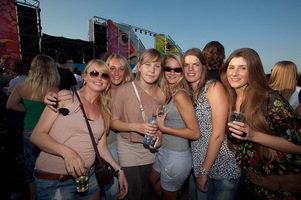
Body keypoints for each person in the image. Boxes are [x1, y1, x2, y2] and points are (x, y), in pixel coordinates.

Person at [30, 59, 128, 200]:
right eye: (94, 73)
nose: (99, 78)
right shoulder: (65, 97)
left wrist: (119, 170)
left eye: (104, 75)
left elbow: (101, 146)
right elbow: (37, 135)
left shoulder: (104, 110)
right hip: (56, 179)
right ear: (84, 76)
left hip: (89, 177)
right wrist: (67, 152)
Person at [221, 48, 301, 200]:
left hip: (278, 189)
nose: (234, 73)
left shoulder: (270, 100)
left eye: (242, 68)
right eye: (231, 67)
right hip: (249, 183)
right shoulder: (230, 99)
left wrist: (254, 135)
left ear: (254, 71)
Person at [183, 48, 241, 200]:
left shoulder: (214, 88)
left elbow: (218, 136)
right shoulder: (189, 92)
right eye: (186, 65)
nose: (190, 69)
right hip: (200, 162)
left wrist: (204, 171)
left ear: (203, 67)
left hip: (222, 165)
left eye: (195, 64)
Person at [110, 48, 166, 200]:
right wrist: (136, 126)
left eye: (157, 66)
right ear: (139, 66)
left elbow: (162, 121)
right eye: (148, 64)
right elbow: (113, 122)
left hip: (151, 149)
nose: (152, 70)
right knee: (134, 190)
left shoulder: (162, 94)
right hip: (128, 148)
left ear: (161, 69)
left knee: (147, 190)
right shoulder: (123, 90)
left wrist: (160, 134)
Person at [6, 54, 60, 200]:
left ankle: (33, 197)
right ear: (51, 69)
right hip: (49, 133)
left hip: (29, 131)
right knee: (49, 167)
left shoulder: (22, 85)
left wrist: (28, 109)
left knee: (31, 169)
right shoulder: (54, 90)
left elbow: (10, 104)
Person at [148, 52, 200, 200]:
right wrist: (159, 133)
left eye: (177, 69)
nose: (172, 73)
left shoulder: (181, 96)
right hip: (164, 150)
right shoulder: (168, 92)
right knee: (152, 180)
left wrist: (164, 129)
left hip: (177, 156)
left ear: (182, 72)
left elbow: (195, 133)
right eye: (168, 68)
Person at [100, 53, 134, 200]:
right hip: (97, 146)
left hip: (120, 146)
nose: (116, 73)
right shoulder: (99, 89)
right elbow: (77, 97)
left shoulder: (131, 91)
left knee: (114, 191)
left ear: (126, 71)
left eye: (121, 69)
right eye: (112, 68)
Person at [4, 61, 28, 160]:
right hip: (26, 108)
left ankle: (15, 152)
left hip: (17, 109)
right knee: (23, 131)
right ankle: (23, 152)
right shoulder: (28, 79)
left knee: (14, 132)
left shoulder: (15, 81)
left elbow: (10, 99)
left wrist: (5, 91)